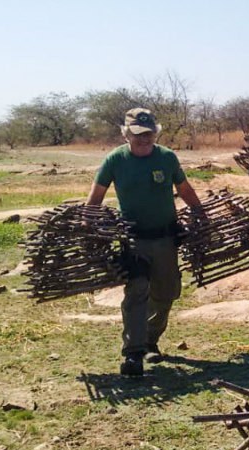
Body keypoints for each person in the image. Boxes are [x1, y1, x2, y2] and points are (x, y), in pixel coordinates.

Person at [85, 108, 202, 376]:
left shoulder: (167, 158)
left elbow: (184, 189)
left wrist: (200, 214)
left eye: (148, 134)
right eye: (137, 134)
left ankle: (150, 340)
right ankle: (133, 354)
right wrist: (87, 224)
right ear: (126, 134)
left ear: (155, 134)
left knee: (167, 292)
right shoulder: (115, 160)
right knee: (137, 291)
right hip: (133, 240)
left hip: (165, 237)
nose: (143, 139)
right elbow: (96, 195)